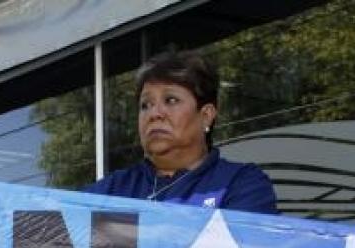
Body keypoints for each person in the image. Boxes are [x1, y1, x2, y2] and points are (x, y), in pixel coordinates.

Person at [86, 50, 277, 213]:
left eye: (170, 100)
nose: (154, 114)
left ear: (206, 115)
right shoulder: (111, 190)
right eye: (145, 105)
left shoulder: (241, 183)